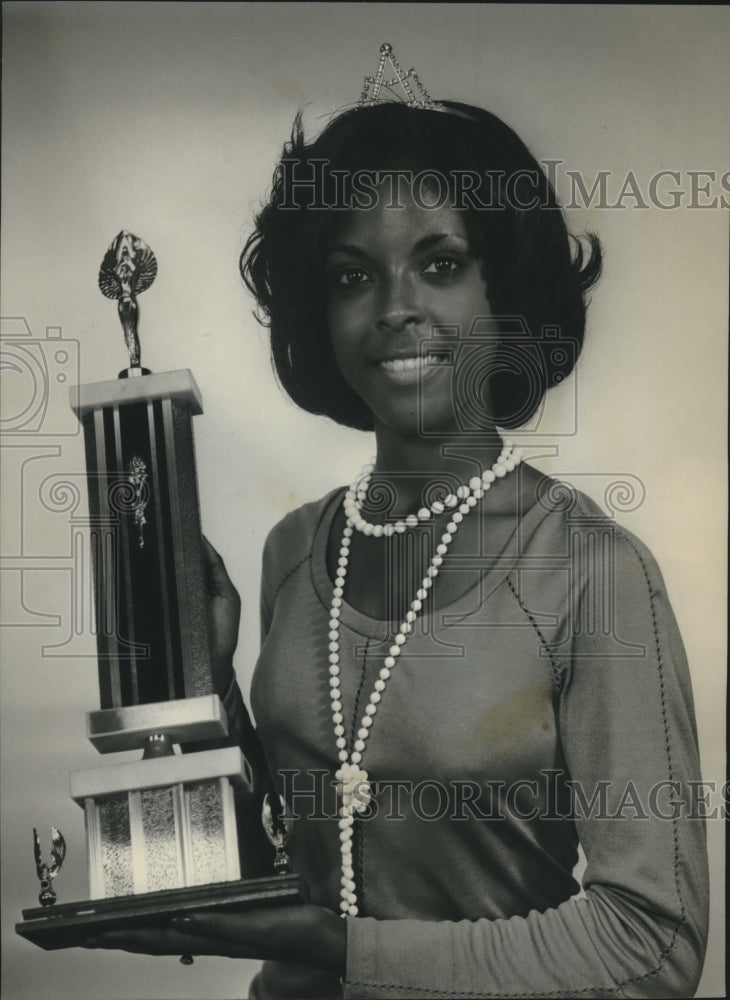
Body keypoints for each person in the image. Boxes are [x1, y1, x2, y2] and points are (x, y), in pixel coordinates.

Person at [83, 52, 709, 1000]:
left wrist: (351, 954)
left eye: (442, 264)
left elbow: (654, 945)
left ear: (507, 296)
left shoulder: (591, 571)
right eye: (350, 277)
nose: (397, 309)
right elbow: (306, 856)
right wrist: (216, 697)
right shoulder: (295, 552)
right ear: (316, 314)